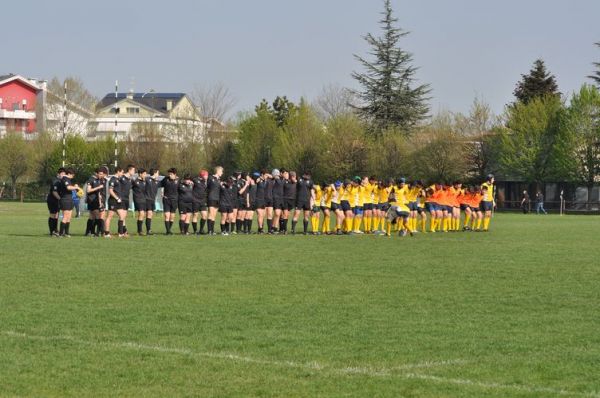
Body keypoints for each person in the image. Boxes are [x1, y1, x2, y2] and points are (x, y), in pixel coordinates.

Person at [85, 167, 107, 237]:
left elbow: (99, 192)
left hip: (96, 200)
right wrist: (98, 187)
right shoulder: (91, 179)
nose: (101, 175)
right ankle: (97, 233)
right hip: (92, 200)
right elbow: (88, 190)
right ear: (96, 173)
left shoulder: (99, 180)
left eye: (102, 174)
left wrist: (101, 199)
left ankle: (90, 232)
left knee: (92, 217)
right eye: (100, 174)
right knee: (97, 216)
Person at [57, 168, 79, 237]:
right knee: (65, 217)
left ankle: (66, 233)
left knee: (69, 217)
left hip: (69, 199)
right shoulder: (65, 179)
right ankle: (60, 233)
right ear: (69, 174)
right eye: (72, 175)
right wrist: (75, 187)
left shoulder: (68, 179)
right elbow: (68, 187)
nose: (73, 176)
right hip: (65, 200)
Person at [47, 167, 66, 236]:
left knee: (56, 215)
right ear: (58, 174)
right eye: (62, 174)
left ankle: (55, 230)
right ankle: (52, 231)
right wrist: (60, 199)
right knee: (53, 215)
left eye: (64, 174)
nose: (63, 175)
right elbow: (54, 192)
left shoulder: (61, 181)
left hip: (57, 200)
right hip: (52, 200)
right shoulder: (55, 181)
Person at [161, 168, 179, 235]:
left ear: (175, 174)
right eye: (169, 174)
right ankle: (168, 231)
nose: (169, 175)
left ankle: (169, 230)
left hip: (174, 200)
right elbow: (159, 184)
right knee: (166, 215)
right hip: (166, 199)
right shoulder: (165, 179)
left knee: (172, 216)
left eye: (171, 174)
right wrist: (162, 193)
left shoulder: (179, 180)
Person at [207, 166, 223, 235]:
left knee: (214, 215)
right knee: (211, 214)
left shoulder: (219, 180)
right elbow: (207, 187)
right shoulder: (210, 178)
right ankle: (209, 231)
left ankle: (212, 231)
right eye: (221, 171)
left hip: (217, 199)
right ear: (218, 171)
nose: (222, 173)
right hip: (211, 198)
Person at [192, 170, 209, 235]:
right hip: (195, 200)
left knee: (204, 215)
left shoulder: (206, 182)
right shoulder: (195, 180)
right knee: (195, 215)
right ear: (202, 175)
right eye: (206, 175)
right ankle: (195, 231)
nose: (207, 176)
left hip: (203, 201)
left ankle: (201, 230)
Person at [132, 168, 148, 235]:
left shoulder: (145, 181)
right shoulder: (135, 181)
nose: (145, 175)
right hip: (138, 199)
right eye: (144, 174)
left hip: (144, 199)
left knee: (143, 214)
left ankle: (139, 230)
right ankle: (140, 231)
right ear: (140, 174)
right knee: (141, 213)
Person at [144, 168, 160, 235]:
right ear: (155, 173)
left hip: (152, 200)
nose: (158, 175)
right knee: (149, 214)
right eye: (158, 173)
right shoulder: (147, 179)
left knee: (150, 215)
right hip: (147, 199)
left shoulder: (157, 181)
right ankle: (148, 230)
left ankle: (149, 230)